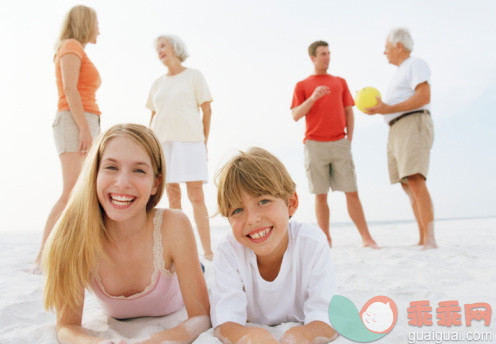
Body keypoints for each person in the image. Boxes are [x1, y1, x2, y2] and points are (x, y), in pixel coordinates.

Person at [42, 124, 210, 344]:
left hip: (179, 272)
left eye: (139, 170)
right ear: (95, 174)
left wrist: (163, 339)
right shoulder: (74, 235)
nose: (122, 183)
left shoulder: (175, 225)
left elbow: (201, 317)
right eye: (111, 167)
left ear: (155, 183)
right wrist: (97, 342)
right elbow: (67, 326)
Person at [211, 147, 338, 344]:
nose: (252, 219)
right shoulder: (228, 250)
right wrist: (250, 336)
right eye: (237, 210)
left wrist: (302, 335)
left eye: (263, 201)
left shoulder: (311, 243)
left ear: (291, 203)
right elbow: (225, 321)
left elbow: (327, 316)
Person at [291, 40, 378, 249]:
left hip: (340, 143)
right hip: (314, 145)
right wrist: (312, 98)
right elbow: (295, 115)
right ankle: (326, 240)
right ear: (312, 57)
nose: (327, 57)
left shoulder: (340, 82)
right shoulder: (302, 85)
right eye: (323, 54)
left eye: (329, 53)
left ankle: (367, 238)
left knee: (352, 191)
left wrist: (349, 139)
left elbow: (349, 111)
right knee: (320, 195)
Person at [34, 5, 102, 271]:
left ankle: (74, 253)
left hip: (85, 121)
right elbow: (70, 89)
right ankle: (42, 257)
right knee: (72, 191)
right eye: (96, 24)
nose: (99, 30)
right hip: (75, 122)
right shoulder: (71, 45)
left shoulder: (78, 49)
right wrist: (84, 128)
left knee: (83, 192)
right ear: (85, 22)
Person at [365, 28, 437, 249]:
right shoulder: (399, 72)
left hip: (412, 124)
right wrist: (382, 110)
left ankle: (430, 239)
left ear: (399, 46)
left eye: (386, 47)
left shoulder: (415, 64)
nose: (384, 52)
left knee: (415, 179)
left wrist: (388, 108)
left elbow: (424, 96)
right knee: (407, 184)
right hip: (396, 129)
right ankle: (422, 237)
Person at [146, 35, 214, 260]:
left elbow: (207, 111)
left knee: (196, 196)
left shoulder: (194, 76)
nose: (159, 51)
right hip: (163, 144)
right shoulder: (157, 83)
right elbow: (153, 117)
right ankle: (185, 249)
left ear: (175, 47)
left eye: (163, 46)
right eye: (157, 49)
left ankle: (208, 251)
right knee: (173, 197)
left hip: (190, 141)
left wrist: (203, 142)